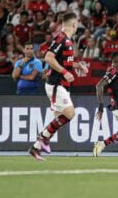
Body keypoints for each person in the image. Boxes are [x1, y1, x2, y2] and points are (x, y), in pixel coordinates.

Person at [28, 12, 88, 160]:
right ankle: (43, 137)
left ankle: (36, 147)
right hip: (56, 85)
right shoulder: (62, 39)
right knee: (70, 113)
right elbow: (48, 57)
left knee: (60, 117)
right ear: (73, 25)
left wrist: (77, 65)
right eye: (77, 24)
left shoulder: (66, 40)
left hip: (60, 84)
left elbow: (63, 61)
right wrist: (64, 72)